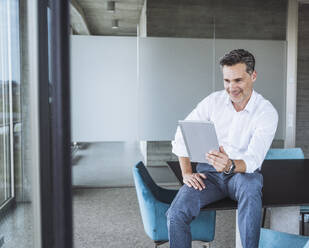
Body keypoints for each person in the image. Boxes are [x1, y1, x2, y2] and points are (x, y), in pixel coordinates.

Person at [166, 49, 278, 248]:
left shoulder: (266, 112)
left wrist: (230, 165)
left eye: (238, 80)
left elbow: (254, 159)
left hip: (243, 175)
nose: (232, 87)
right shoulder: (213, 101)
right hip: (209, 175)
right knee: (175, 214)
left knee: (252, 189)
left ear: (253, 76)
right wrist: (186, 172)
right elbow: (182, 133)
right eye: (227, 81)